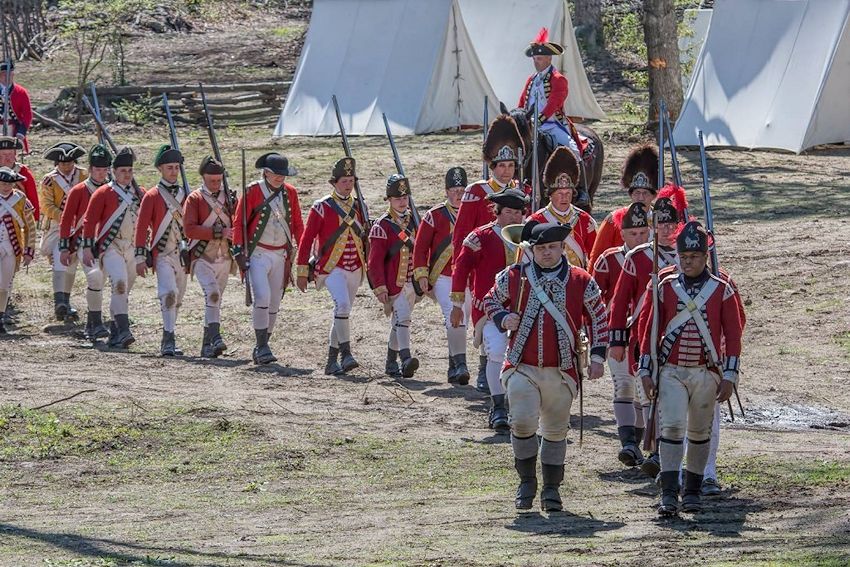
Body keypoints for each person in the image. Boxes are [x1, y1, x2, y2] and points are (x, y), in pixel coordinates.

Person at [483, 221, 607, 511]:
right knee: (523, 420)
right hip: (521, 366)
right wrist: (503, 317)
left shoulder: (581, 279)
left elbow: (599, 318)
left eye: (552, 247)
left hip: (562, 371)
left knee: (554, 431)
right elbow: (490, 301)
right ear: (532, 250)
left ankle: (551, 489)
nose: (547, 253)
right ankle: (526, 481)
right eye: (541, 248)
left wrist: (598, 357)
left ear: (562, 248)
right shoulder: (514, 276)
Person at [636, 221, 743, 517]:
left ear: (705, 256)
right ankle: (669, 494)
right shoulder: (665, 285)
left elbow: (733, 336)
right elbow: (649, 329)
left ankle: (693, 491)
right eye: (684, 257)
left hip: (706, 372)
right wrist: (646, 370)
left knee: (699, 432)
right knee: (670, 429)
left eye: (693, 257)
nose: (688, 262)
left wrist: (730, 376)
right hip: (670, 370)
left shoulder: (721, 290)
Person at [453, 114, 527, 392]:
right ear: (492, 166)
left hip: (514, 266)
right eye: (501, 166)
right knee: (484, 319)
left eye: (510, 165)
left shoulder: (522, 191)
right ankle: (485, 367)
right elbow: (461, 235)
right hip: (482, 266)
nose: (506, 171)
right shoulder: (476, 191)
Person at [608, 197, 680, 476]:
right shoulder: (637, 258)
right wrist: (616, 340)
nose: (666, 228)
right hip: (643, 337)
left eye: (671, 223)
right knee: (648, 395)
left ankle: (665, 448)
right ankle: (656, 450)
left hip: (676, 336)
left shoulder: (686, 257)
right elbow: (619, 300)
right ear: (653, 226)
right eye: (661, 223)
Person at [451, 188, 528, 431]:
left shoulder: (532, 239)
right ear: (497, 212)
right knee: (496, 351)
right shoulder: (479, 237)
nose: (514, 217)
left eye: (518, 212)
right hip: (489, 309)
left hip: (526, 309)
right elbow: (461, 269)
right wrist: (456, 304)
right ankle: (498, 407)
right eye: (509, 212)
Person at [590, 202, 651, 467]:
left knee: (641, 391)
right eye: (633, 234)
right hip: (617, 333)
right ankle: (627, 442)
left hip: (644, 334)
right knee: (623, 385)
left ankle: (637, 445)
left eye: (642, 233)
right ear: (623, 234)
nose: (638, 238)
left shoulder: (656, 257)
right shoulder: (608, 259)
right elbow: (592, 298)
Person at [296, 157, 368, 375]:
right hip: (331, 266)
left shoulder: (360, 206)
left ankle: (331, 361)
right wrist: (301, 271)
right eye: (344, 180)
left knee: (342, 312)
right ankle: (346, 354)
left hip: (355, 266)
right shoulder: (321, 207)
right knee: (343, 306)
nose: (348, 184)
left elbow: (366, 237)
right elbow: (307, 240)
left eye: (351, 180)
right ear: (334, 182)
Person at [233, 152, 304, 365]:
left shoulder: (290, 193)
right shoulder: (253, 191)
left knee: (274, 302)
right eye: (276, 174)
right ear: (266, 173)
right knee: (262, 297)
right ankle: (261, 345)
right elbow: (239, 223)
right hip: (258, 253)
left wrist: (304, 246)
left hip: (281, 254)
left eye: (283, 174)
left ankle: (264, 343)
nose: (280, 178)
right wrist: (238, 251)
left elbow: (298, 224)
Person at [81, 146, 144, 349]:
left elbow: (146, 221)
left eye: (129, 171)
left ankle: (116, 331)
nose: (126, 174)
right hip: (111, 246)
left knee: (124, 290)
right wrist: (88, 246)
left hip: (132, 247)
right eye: (122, 171)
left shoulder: (139, 193)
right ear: (114, 172)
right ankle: (124, 330)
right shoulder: (102, 193)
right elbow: (90, 222)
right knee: (119, 283)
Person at [412, 166, 470, 384]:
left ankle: (453, 365)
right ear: (446, 191)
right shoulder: (434, 216)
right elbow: (420, 247)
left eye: (462, 189)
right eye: (454, 189)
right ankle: (462, 363)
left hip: (467, 277)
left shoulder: (473, 213)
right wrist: (422, 274)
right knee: (454, 317)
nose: (458, 194)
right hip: (444, 276)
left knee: (463, 320)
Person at [134, 145, 190, 356]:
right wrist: (140, 257)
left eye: (176, 167)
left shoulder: (186, 193)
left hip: (182, 254)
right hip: (162, 254)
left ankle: (171, 332)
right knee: (168, 294)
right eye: (169, 167)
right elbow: (141, 228)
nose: (174, 171)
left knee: (179, 297)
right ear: (161, 169)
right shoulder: (152, 196)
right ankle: (168, 338)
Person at [368, 174, 420, 378]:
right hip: (393, 284)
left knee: (398, 323)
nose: (402, 201)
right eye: (398, 198)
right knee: (404, 319)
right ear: (389, 200)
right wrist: (380, 287)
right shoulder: (382, 226)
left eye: (405, 197)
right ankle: (405, 358)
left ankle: (390, 361)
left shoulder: (414, 222)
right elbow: (374, 263)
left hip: (411, 283)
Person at [182, 156, 234, 358]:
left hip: (225, 256)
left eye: (219, 180)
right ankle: (215, 337)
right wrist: (218, 233)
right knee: (212, 294)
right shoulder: (194, 199)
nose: (216, 184)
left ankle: (206, 345)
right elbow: (190, 229)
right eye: (212, 180)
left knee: (216, 300)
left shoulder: (229, 197)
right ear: (203, 178)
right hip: (202, 255)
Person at [59, 143, 112, 340]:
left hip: (107, 243)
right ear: (90, 169)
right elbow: (66, 220)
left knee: (101, 281)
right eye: (97, 170)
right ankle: (96, 323)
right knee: (95, 277)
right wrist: (65, 247)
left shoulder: (113, 190)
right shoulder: (79, 190)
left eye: (104, 170)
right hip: (84, 242)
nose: (101, 174)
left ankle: (91, 324)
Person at [39, 142, 88, 322]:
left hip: (82, 224)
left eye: (69, 163)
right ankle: (59, 301)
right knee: (60, 259)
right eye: (62, 164)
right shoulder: (49, 180)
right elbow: (47, 206)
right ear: (56, 164)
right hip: (58, 225)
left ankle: (65, 301)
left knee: (73, 263)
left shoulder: (84, 175)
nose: (66, 167)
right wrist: (66, 218)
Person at [588, 144, 658, 267]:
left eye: (645, 193)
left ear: (653, 196)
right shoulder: (613, 221)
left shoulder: (661, 221)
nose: (640, 197)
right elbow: (597, 261)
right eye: (637, 193)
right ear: (631, 194)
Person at [518, 27, 584, 157]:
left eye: (539, 59)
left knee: (573, 151)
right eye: (535, 59)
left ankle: (578, 173)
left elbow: (553, 105)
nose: (536, 62)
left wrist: (538, 120)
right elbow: (522, 103)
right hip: (530, 126)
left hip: (552, 125)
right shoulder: (531, 79)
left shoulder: (558, 79)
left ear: (549, 59)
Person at [528, 147, 597, 269]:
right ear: (550, 195)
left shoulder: (585, 220)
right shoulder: (535, 221)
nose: (564, 198)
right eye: (560, 193)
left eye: (568, 193)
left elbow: (595, 255)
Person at [0, 166, 35, 334]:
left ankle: (1, 315)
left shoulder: (21, 200)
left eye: (9, 183)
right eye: (3, 183)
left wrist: (29, 250)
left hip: (12, 248)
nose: (6, 186)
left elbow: (30, 228)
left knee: (5, 285)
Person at [0, 135, 37, 222]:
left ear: (15, 154)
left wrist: (34, 218)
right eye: (4, 154)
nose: (8, 158)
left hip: (19, 217)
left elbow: (32, 196)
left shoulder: (23, 172)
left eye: (10, 154)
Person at [0, 60, 32, 153]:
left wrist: (21, 133)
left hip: (14, 129)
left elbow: (27, 115)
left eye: (10, 74)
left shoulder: (21, 92)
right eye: (4, 74)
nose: (7, 77)